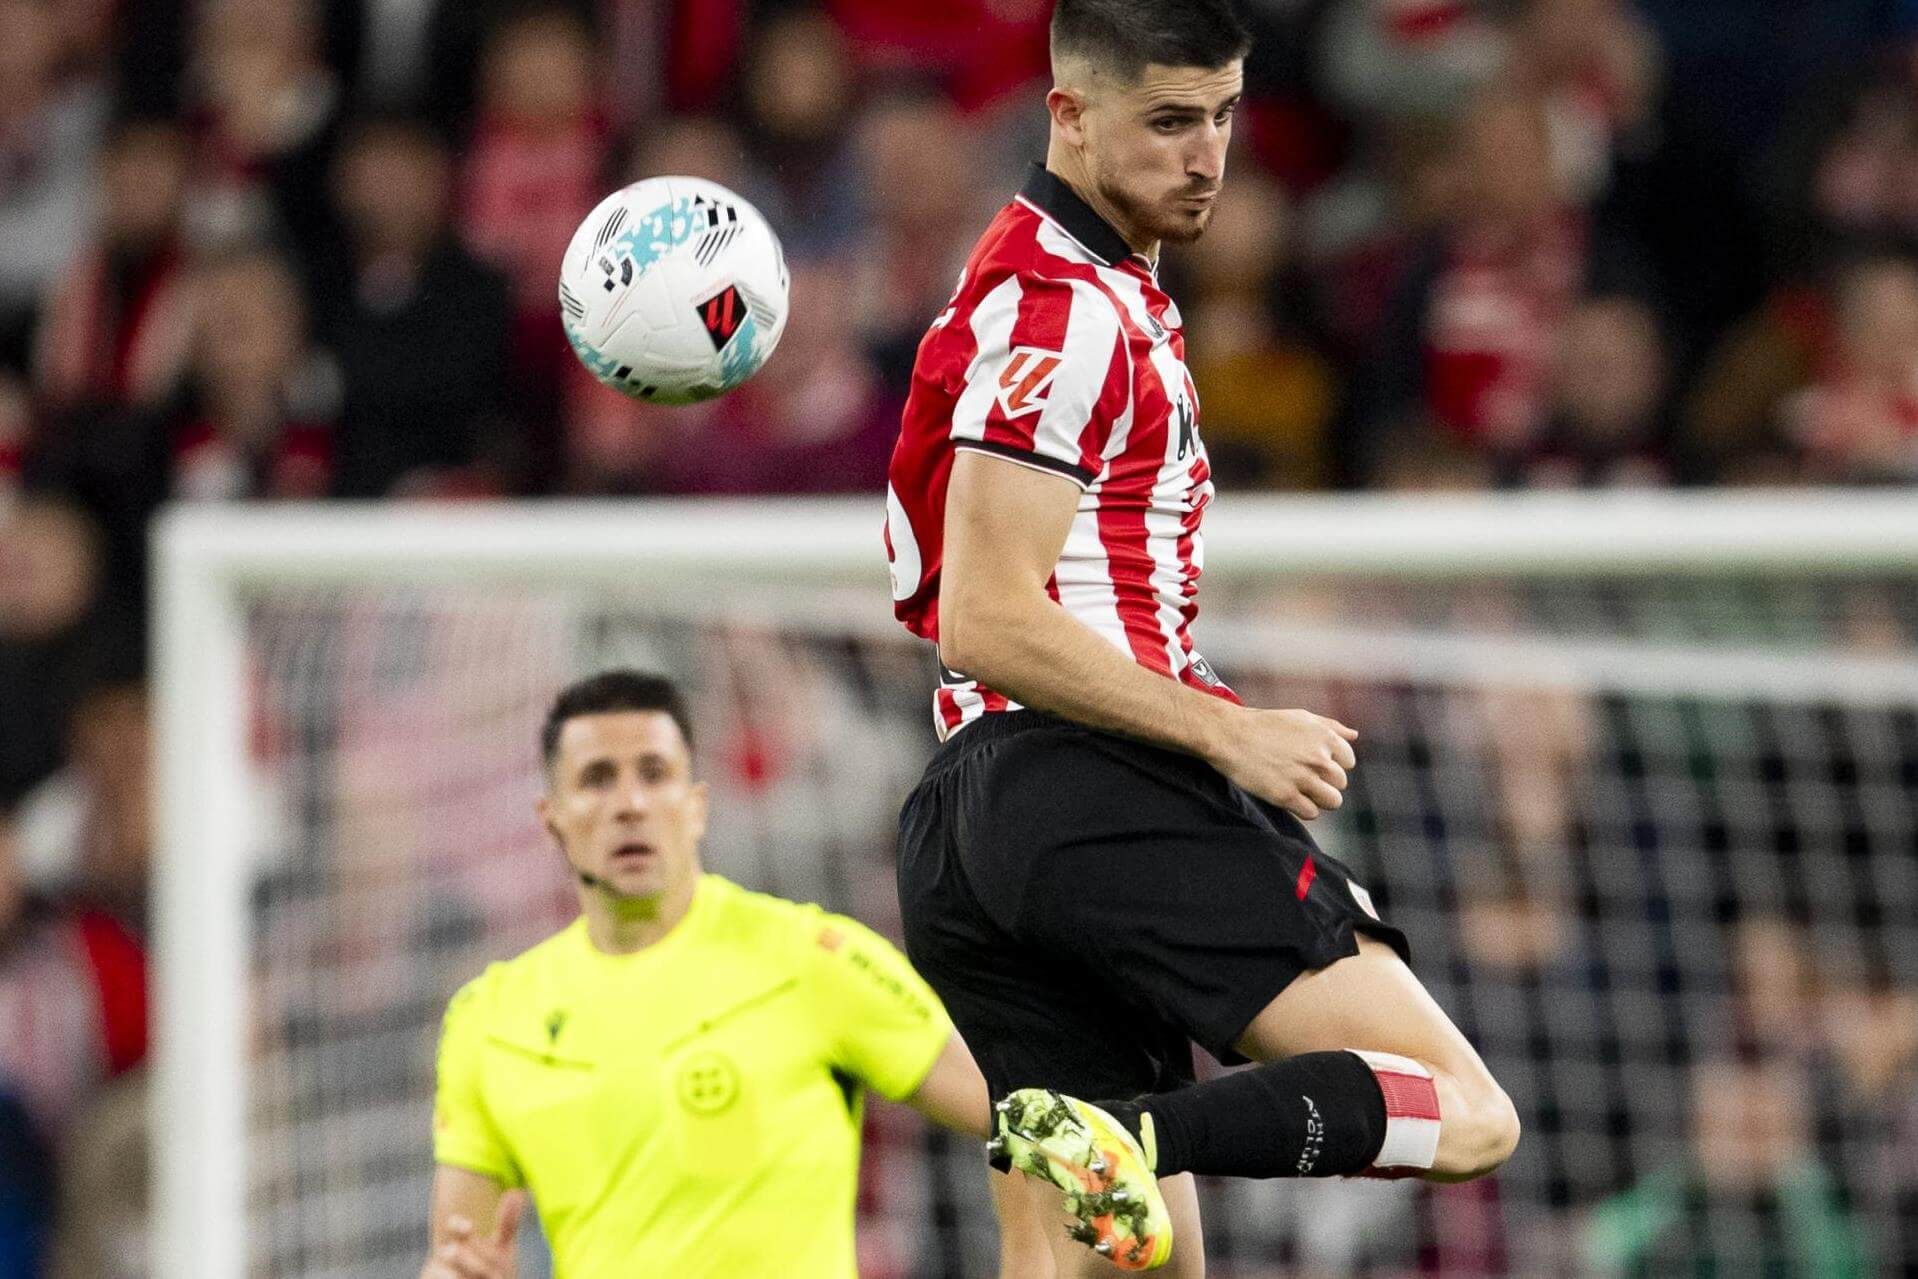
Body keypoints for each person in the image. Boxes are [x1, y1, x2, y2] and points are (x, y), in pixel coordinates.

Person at [886, 0, 1521, 1272]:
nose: (1207, 157)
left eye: (1223, 117)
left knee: (1118, 1256)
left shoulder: (1043, 279)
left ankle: (1109, 1141)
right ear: (1068, 115)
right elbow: (989, 614)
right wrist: (1227, 733)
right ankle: (1131, 1133)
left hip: (970, 825)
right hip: (1091, 788)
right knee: (1465, 1112)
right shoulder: (1065, 309)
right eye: (1169, 121)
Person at [421, 670, 1147, 1278]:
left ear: (696, 806)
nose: (630, 804)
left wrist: (1026, 1260)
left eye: (654, 773)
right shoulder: (491, 1016)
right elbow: (456, 1254)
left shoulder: (810, 957)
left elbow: (1021, 1108)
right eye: (597, 779)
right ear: (551, 817)